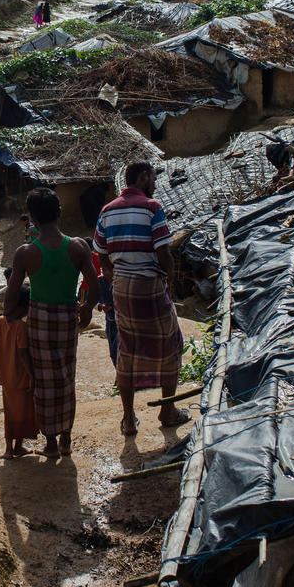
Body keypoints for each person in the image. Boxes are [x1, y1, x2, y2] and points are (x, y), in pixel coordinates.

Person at [4, 187, 97, 458]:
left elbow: (12, 293)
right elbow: (94, 284)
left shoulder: (25, 253)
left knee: (44, 382)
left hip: (39, 320)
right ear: (59, 212)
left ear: (32, 218)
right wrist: (88, 308)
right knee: (67, 376)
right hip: (68, 317)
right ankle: (67, 438)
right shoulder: (78, 245)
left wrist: (9, 316)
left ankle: (51, 443)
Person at [94, 161, 185, 438]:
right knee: (172, 346)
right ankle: (167, 411)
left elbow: (100, 255)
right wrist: (171, 280)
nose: (156, 184)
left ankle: (129, 418)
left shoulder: (107, 211)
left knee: (128, 350)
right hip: (150, 287)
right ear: (144, 177)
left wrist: (115, 279)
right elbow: (164, 253)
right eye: (154, 178)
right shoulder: (152, 207)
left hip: (122, 290)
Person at [0, 289, 38, 458]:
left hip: (6, 372)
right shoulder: (21, 326)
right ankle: (13, 448)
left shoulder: (1, 321)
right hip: (20, 375)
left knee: (10, 410)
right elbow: (23, 353)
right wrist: (33, 375)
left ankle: (13, 447)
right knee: (22, 411)